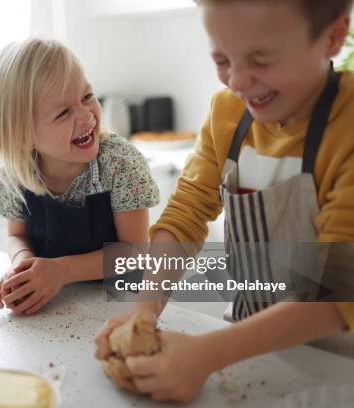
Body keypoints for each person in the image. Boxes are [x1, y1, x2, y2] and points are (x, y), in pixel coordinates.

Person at [95, 0, 354, 402]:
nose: (236, 81)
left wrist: (207, 353)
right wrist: (144, 311)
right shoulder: (228, 113)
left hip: (341, 367)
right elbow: (187, 212)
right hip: (246, 351)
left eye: (261, 60)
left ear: (334, 36)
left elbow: (341, 288)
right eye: (221, 59)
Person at [0, 37, 159, 315]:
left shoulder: (120, 163)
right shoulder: (16, 171)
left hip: (121, 304)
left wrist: (61, 271)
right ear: (22, 136)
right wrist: (23, 266)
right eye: (63, 113)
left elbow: (135, 251)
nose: (86, 116)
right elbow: (16, 236)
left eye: (87, 97)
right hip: (55, 306)